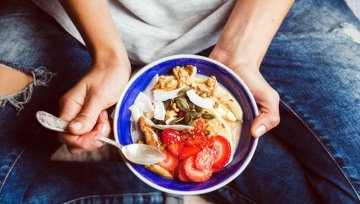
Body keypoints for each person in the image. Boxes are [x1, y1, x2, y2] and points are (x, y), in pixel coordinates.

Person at [0, 0, 359, 203]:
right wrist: (108, 54)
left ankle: (217, 172)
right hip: (76, 24)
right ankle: (162, 191)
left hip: (260, 18)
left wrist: (240, 53)